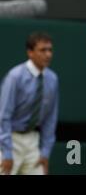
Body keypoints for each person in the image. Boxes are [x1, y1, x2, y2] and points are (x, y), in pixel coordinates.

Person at [0, 32, 58, 175]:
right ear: (30, 53)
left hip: (33, 141)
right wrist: (7, 152)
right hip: (9, 140)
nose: (48, 54)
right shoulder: (15, 76)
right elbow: (3, 116)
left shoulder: (52, 79)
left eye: (50, 50)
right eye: (43, 50)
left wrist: (45, 152)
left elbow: (51, 118)